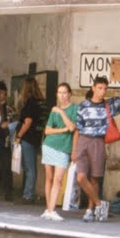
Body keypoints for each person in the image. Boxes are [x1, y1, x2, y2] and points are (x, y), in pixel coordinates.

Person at [74, 73, 120, 223]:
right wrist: (74, 151)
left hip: (98, 142)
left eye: (104, 89)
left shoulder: (108, 105)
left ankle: (90, 210)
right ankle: (99, 204)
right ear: (93, 88)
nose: (102, 91)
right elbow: (78, 129)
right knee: (80, 177)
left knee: (94, 178)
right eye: (99, 88)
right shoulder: (83, 106)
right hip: (83, 141)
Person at [41, 82, 78, 221]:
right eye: (59, 93)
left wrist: (61, 112)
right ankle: (48, 209)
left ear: (69, 94)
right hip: (49, 145)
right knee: (49, 178)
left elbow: (72, 127)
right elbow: (47, 130)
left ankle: (51, 210)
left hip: (64, 148)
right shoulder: (53, 110)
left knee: (58, 179)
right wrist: (62, 130)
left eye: (64, 92)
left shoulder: (74, 108)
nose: (62, 96)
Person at [15, 76, 46, 203]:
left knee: (29, 167)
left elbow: (27, 122)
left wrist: (18, 136)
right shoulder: (40, 102)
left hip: (28, 138)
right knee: (31, 166)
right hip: (37, 137)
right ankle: (28, 193)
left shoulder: (30, 102)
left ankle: (28, 195)